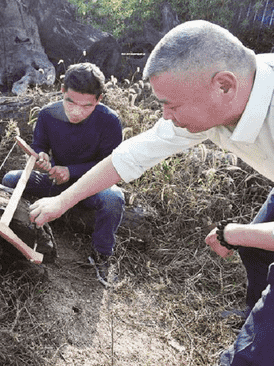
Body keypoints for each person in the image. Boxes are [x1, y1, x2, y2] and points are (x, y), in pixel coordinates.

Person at [29, 20, 274, 365]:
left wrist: (234, 232)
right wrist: (61, 200)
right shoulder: (211, 99)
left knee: (253, 353)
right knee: (256, 253)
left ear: (224, 86)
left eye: (171, 105)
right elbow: (128, 157)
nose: (166, 117)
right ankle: (252, 313)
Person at [2, 62, 125, 286]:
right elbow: (39, 144)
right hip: (54, 180)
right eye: (70, 102)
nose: (76, 111)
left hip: (93, 185)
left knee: (114, 198)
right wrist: (42, 157)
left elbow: (111, 166)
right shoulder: (48, 114)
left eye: (86, 106)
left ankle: (102, 254)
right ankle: (17, 236)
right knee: (11, 179)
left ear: (99, 99)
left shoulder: (110, 121)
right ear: (62, 92)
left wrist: (72, 171)